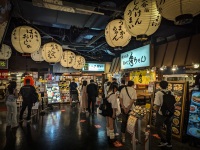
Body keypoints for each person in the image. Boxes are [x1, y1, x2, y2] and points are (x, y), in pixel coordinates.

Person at [154, 80, 173, 148]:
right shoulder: (171, 92)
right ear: (167, 85)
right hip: (170, 112)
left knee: (157, 126)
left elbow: (157, 104)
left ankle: (163, 140)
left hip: (161, 113)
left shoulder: (158, 93)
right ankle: (169, 143)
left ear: (160, 86)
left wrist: (156, 111)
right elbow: (173, 103)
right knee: (169, 127)